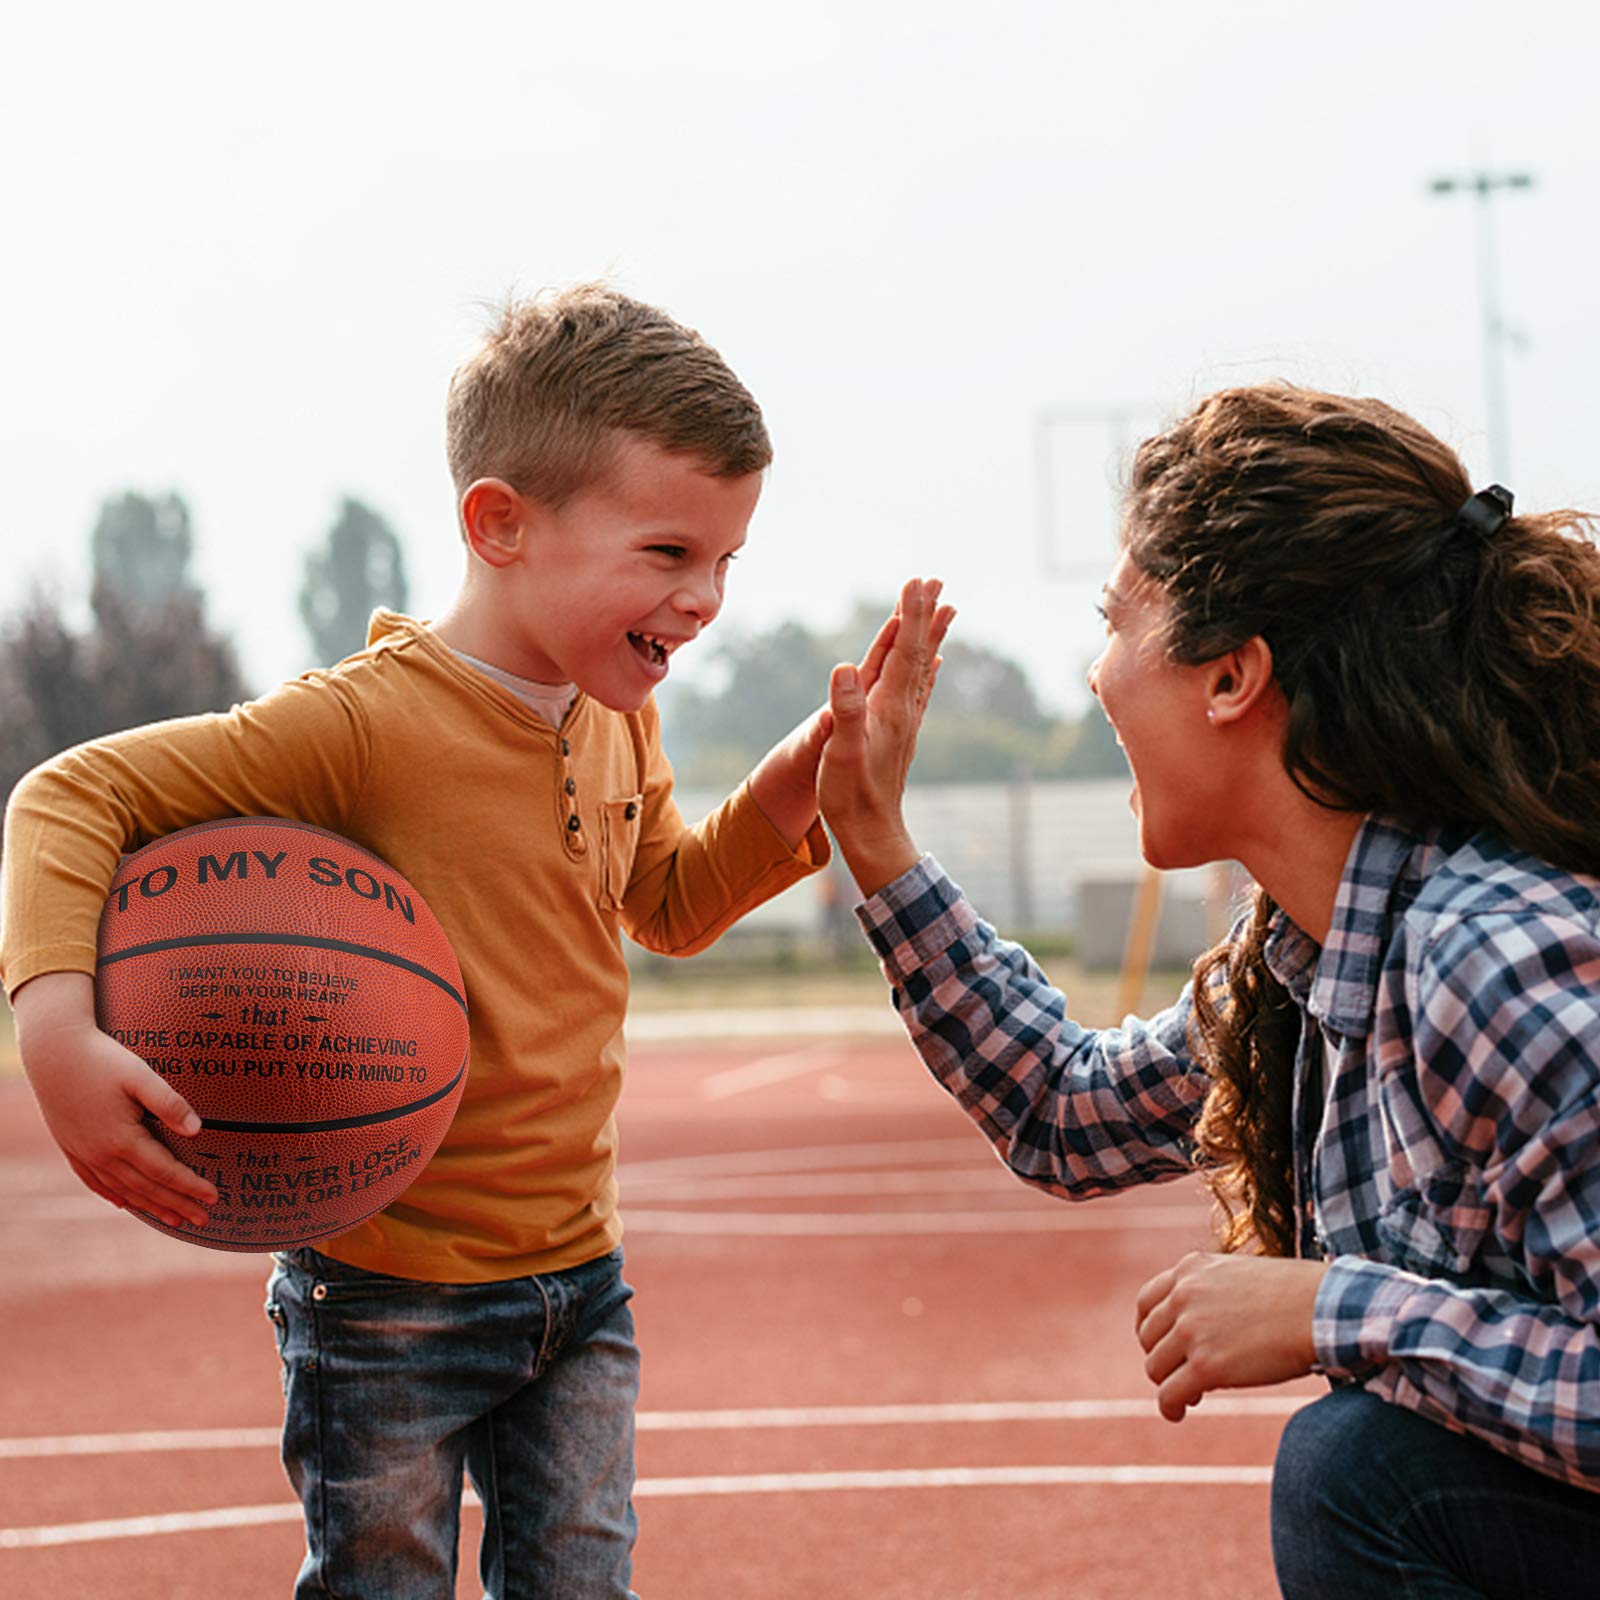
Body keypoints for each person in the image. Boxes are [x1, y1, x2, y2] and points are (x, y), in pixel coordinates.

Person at [0, 284, 894, 1599]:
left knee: (581, 1585)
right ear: (500, 524)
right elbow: (67, 798)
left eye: (725, 561)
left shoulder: (614, 718)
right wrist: (59, 1033)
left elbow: (667, 906)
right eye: (667, 553)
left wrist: (787, 792)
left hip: (580, 1281)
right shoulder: (366, 725)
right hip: (384, 1293)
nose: (705, 598)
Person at [817, 386, 1600, 1597]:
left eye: (1114, 622)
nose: (1096, 676)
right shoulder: (1302, 951)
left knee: (1357, 1472)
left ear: (1232, 675)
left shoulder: (1480, 952)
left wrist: (1337, 1306)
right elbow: (1064, 1113)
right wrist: (875, 842)